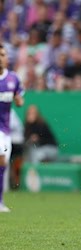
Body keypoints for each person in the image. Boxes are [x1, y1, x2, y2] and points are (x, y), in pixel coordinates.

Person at [0, 44, 25, 212]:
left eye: (4, 54)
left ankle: (0, 201)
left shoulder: (13, 78)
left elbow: (20, 98)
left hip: (5, 129)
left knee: (2, 164)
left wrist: (18, 100)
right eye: (0, 54)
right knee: (1, 160)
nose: (3, 57)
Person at [9, 109, 25, 189]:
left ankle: (16, 183)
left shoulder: (8, 110)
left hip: (16, 142)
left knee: (14, 163)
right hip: (8, 141)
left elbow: (10, 126)